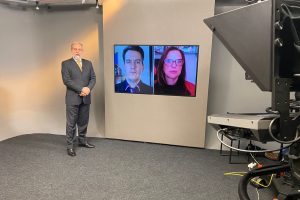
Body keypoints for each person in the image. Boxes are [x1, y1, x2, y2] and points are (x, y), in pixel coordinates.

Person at [61, 42, 96, 157]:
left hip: (86, 97)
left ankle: (82, 141)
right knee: (71, 123)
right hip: (73, 98)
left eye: (79, 49)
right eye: (75, 49)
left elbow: (93, 78)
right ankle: (70, 146)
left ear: (82, 50)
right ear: (71, 50)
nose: (77, 51)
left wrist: (88, 89)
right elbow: (67, 81)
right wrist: (81, 89)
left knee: (83, 122)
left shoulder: (88, 63)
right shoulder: (66, 64)